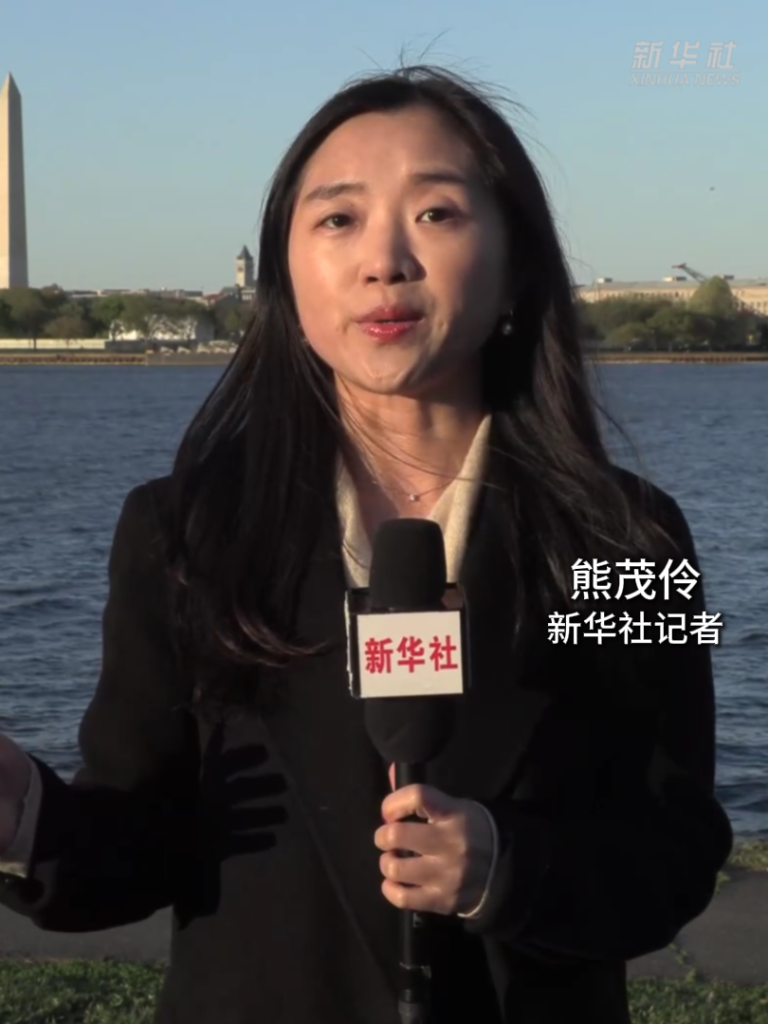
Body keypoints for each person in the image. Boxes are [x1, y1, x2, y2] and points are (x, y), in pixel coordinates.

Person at [0, 65, 732, 1024]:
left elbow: (674, 850)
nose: (384, 261)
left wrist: (505, 869)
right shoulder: (183, 532)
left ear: (517, 262)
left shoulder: (629, 535)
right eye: (339, 219)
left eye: (436, 213)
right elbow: (136, 842)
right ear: (286, 276)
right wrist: (22, 812)